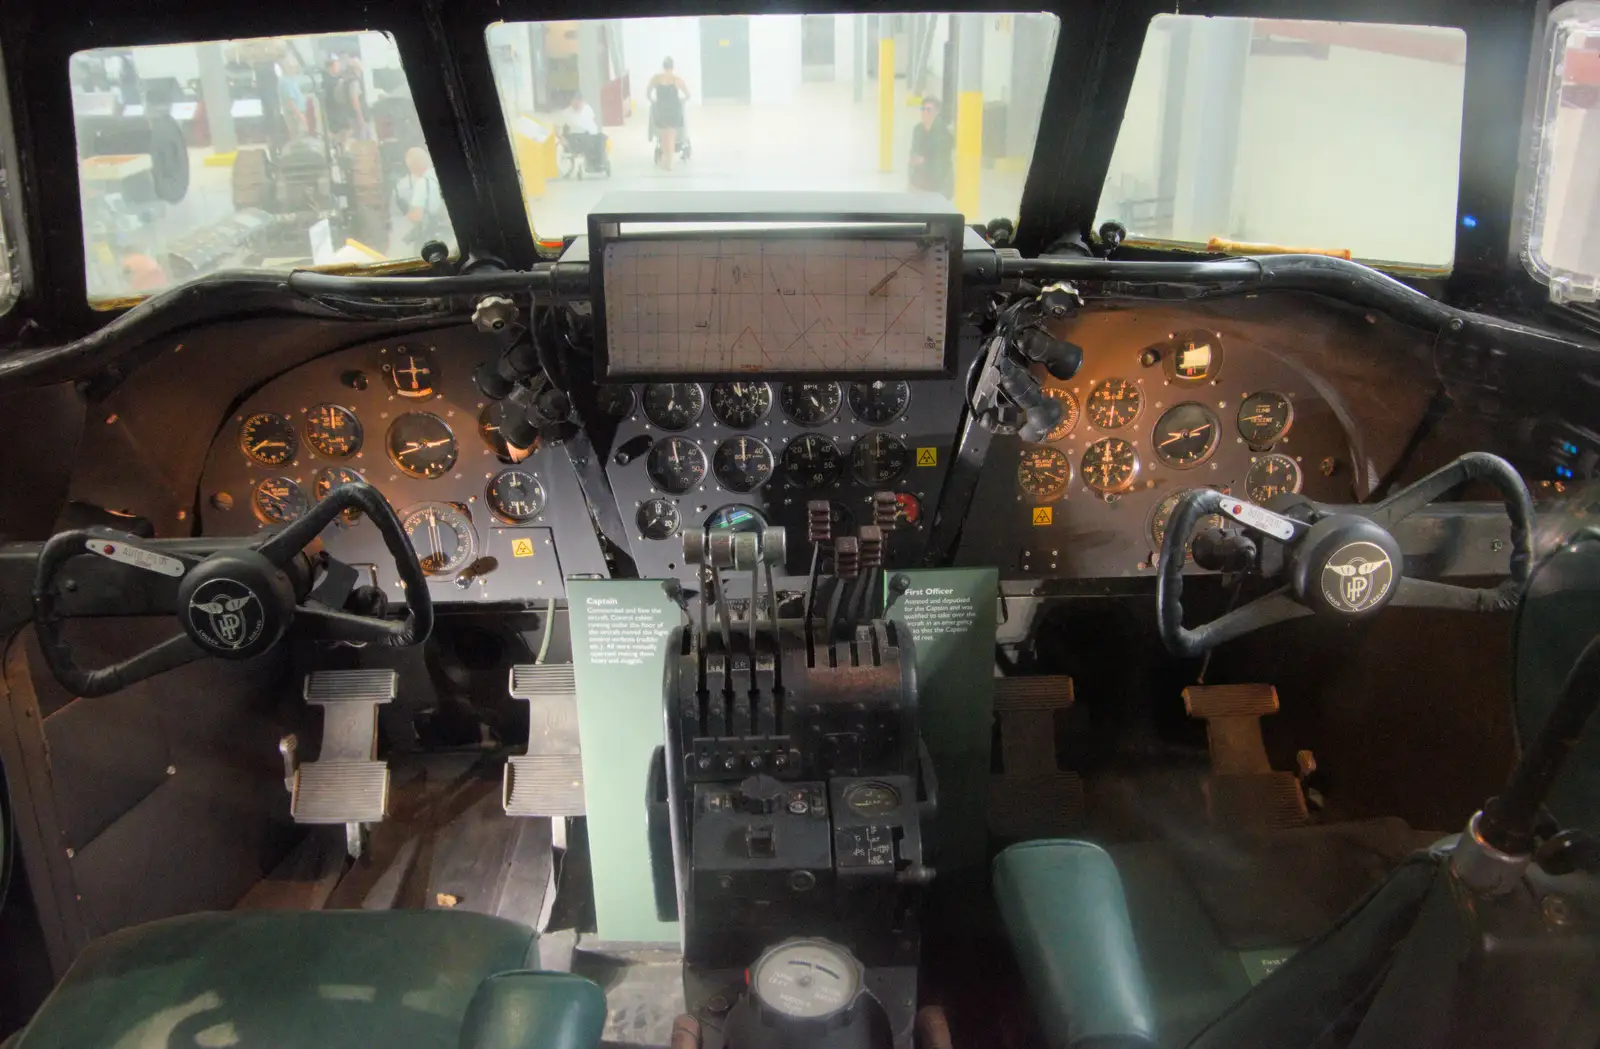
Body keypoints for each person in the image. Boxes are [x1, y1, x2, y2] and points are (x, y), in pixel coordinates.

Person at [392, 147, 447, 254]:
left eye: (411, 166)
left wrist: (406, 213)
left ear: (415, 166)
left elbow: (417, 217)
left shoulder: (422, 184)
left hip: (431, 236)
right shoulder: (438, 176)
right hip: (446, 231)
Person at [909, 96, 954, 199]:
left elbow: (941, 160)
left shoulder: (943, 132)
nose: (925, 112)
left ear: (936, 112)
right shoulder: (917, 129)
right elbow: (913, 152)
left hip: (940, 181)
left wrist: (923, 161)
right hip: (921, 179)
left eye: (928, 110)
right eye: (923, 109)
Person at [648, 57, 689, 170]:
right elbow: (687, 95)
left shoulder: (656, 79)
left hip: (661, 109)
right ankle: (668, 163)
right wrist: (683, 100)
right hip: (673, 110)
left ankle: (665, 158)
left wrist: (652, 100)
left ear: (663, 66)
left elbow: (648, 92)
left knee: (663, 137)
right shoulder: (677, 80)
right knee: (671, 137)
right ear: (672, 66)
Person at [562, 91, 606, 172]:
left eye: (580, 101)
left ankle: (600, 163)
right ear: (571, 101)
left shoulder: (587, 108)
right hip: (576, 137)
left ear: (583, 101)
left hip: (591, 134)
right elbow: (558, 128)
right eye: (576, 101)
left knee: (602, 138)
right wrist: (563, 140)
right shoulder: (566, 113)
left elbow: (592, 121)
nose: (578, 103)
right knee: (588, 140)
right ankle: (591, 164)